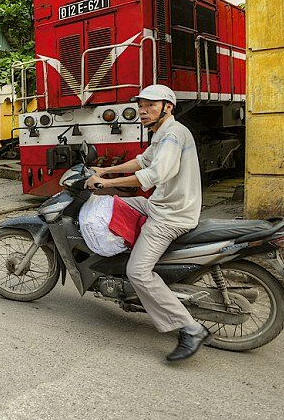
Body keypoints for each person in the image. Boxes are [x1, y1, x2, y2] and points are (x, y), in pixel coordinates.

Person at [84, 84, 208, 362]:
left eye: (151, 105)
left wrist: (107, 182)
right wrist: (106, 169)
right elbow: (142, 161)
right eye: (141, 105)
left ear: (168, 107)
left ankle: (190, 328)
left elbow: (154, 174)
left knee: (138, 272)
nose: (143, 110)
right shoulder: (162, 133)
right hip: (159, 204)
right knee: (113, 204)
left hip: (171, 214)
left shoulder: (174, 134)